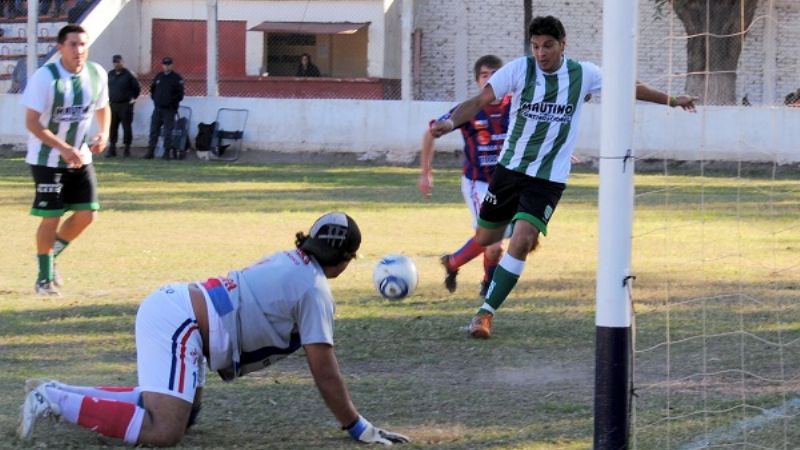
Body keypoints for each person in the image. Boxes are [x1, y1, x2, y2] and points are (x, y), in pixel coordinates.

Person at [17, 212, 411, 447]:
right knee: (165, 430)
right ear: (346, 260)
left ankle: (60, 392)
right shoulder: (315, 290)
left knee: (183, 416)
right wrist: (357, 426)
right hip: (182, 324)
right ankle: (52, 400)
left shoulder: (292, 260)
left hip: (180, 314)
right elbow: (324, 369)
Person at [430, 15, 697, 339]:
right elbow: (478, 101)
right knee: (487, 238)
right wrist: (449, 123)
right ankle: (457, 261)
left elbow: (628, 85)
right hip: (510, 170)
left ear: (563, 45)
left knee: (523, 239)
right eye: (536, 46)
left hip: (548, 179)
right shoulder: (519, 70)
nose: (541, 53)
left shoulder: (583, 74)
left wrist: (672, 100)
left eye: (548, 46)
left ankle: (485, 314)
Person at [22, 24, 110, 296]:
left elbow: (103, 107)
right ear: (60, 47)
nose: (79, 50)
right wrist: (62, 148)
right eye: (72, 44)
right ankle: (44, 279)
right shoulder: (45, 77)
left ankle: (49, 258)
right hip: (47, 159)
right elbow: (32, 122)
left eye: (83, 44)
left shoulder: (96, 73)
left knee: (87, 214)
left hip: (79, 158)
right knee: (52, 216)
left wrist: (103, 133)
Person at [419, 55, 510, 297]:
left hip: (508, 185)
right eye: (484, 75)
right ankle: (489, 288)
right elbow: (430, 133)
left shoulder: (516, 107)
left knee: (502, 241)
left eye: (494, 75)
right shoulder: (469, 109)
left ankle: (453, 263)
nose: (489, 80)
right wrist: (426, 173)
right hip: (478, 184)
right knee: (493, 242)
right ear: (477, 81)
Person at [145, 56, 184, 160]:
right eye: (165, 64)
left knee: (167, 132)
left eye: (168, 64)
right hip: (158, 108)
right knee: (154, 130)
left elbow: (180, 95)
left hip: (169, 110)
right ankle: (150, 151)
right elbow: (152, 90)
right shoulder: (159, 76)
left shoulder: (176, 78)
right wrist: (156, 100)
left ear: (171, 65)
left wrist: (171, 103)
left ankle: (166, 152)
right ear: (162, 65)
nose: (166, 66)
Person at [105, 54, 141, 157]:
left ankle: (127, 149)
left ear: (122, 62)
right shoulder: (110, 74)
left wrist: (133, 98)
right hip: (113, 104)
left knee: (126, 127)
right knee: (112, 127)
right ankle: (112, 148)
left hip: (125, 105)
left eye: (118, 62)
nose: (117, 64)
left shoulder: (129, 74)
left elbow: (137, 88)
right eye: (115, 62)